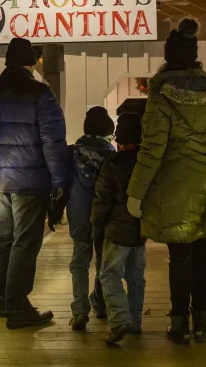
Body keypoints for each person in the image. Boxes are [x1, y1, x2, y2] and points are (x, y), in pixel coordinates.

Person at [127, 18, 206, 344]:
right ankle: (202, 322)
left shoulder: (162, 95)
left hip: (174, 190)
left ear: (168, 57)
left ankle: (179, 323)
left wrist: (135, 193)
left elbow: (152, 149)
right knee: (201, 254)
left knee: (179, 258)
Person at [0, 38, 72, 329]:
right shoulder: (40, 93)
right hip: (30, 179)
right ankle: (18, 306)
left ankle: (4, 301)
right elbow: (52, 141)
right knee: (25, 242)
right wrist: (59, 180)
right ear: (32, 62)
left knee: (4, 239)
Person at [93, 112, 147, 345]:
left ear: (119, 139)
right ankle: (134, 321)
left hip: (116, 230)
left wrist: (96, 226)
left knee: (109, 275)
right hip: (140, 230)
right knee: (136, 276)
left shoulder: (112, 165)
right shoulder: (146, 165)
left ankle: (119, 319)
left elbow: (101, 201)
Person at [65, 106, 115, 330]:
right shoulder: (112, 155)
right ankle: (101, 302)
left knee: (80, 262)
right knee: (104, 261)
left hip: (79, 215)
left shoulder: (72, 153)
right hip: (105, 217)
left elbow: (62, 183)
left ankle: (80, 310)